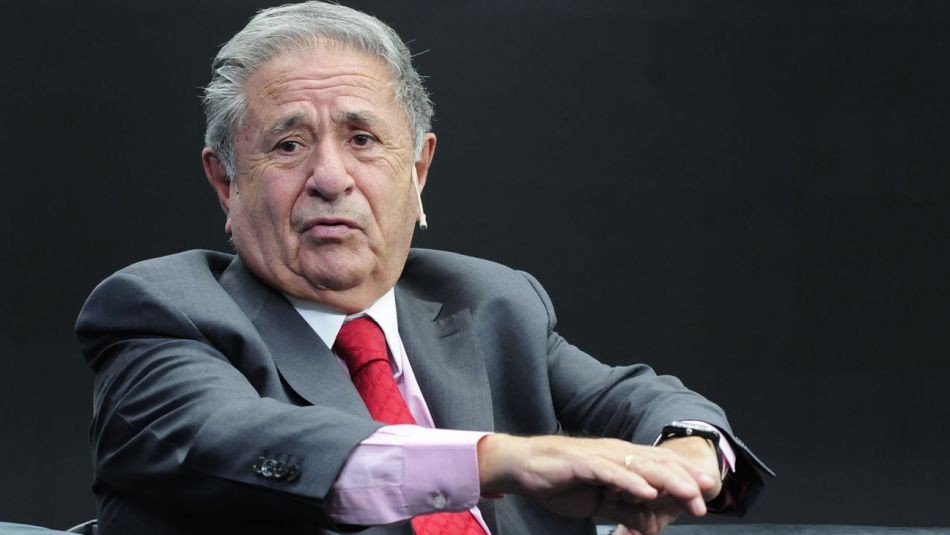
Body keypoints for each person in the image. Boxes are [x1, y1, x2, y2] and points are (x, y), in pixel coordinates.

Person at [76, 2, 771, 534]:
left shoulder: (490, 302)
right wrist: (499, 461)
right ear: (227, 184)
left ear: (418, 171)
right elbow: (227, 438)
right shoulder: (161, 311)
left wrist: (688, 450)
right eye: (288, 145)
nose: (330, 177)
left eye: (362, 139)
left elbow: (638, 398)